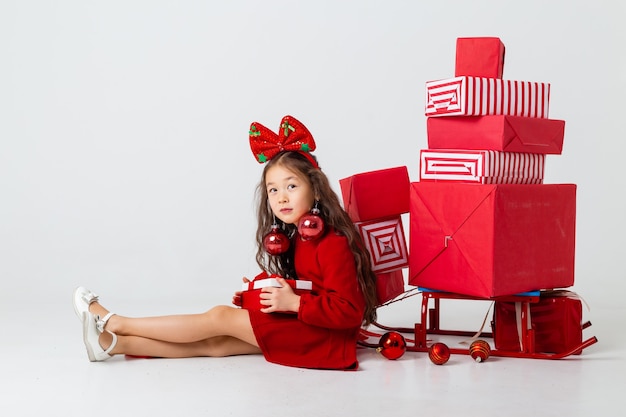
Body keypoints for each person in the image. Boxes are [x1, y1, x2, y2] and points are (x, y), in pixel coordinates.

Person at [73, 115, 378, 370]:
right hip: (309, 327)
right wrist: (260, 290)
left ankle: (117, 323)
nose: (281, 197)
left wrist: (294, 303)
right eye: (273, 190)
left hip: (326, 339)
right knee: (218, 343)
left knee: (219, 318)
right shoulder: (301, 236)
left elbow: (348, 310)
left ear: (317, 190)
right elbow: (310, 285)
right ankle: (111, 344)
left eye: (292, 186)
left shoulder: (332, 242)